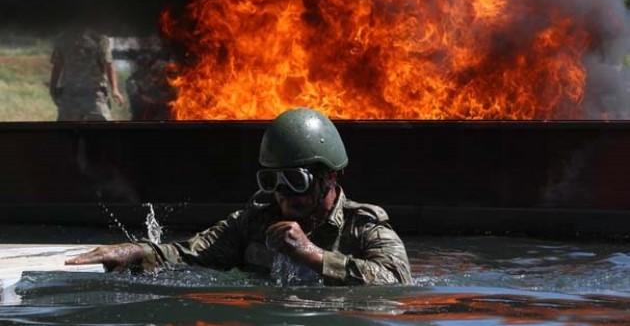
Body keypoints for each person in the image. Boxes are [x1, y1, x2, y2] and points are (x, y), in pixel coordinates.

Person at [66, 108, 412, 285]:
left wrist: (312, 255)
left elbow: (397, 281)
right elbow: (188, 254)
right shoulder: (253, 222)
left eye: (295, 180)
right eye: (271, 181)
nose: (282, 193)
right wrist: (135, 252)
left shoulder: (363, 228)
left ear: (329, 178)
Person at [50, 27, 124, 121]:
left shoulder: (99, 38)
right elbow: (57, 66)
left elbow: (108, 64)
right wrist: (52, 88)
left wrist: (115, 89)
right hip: (70, 95)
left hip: (94, 95)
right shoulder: (63, 39)